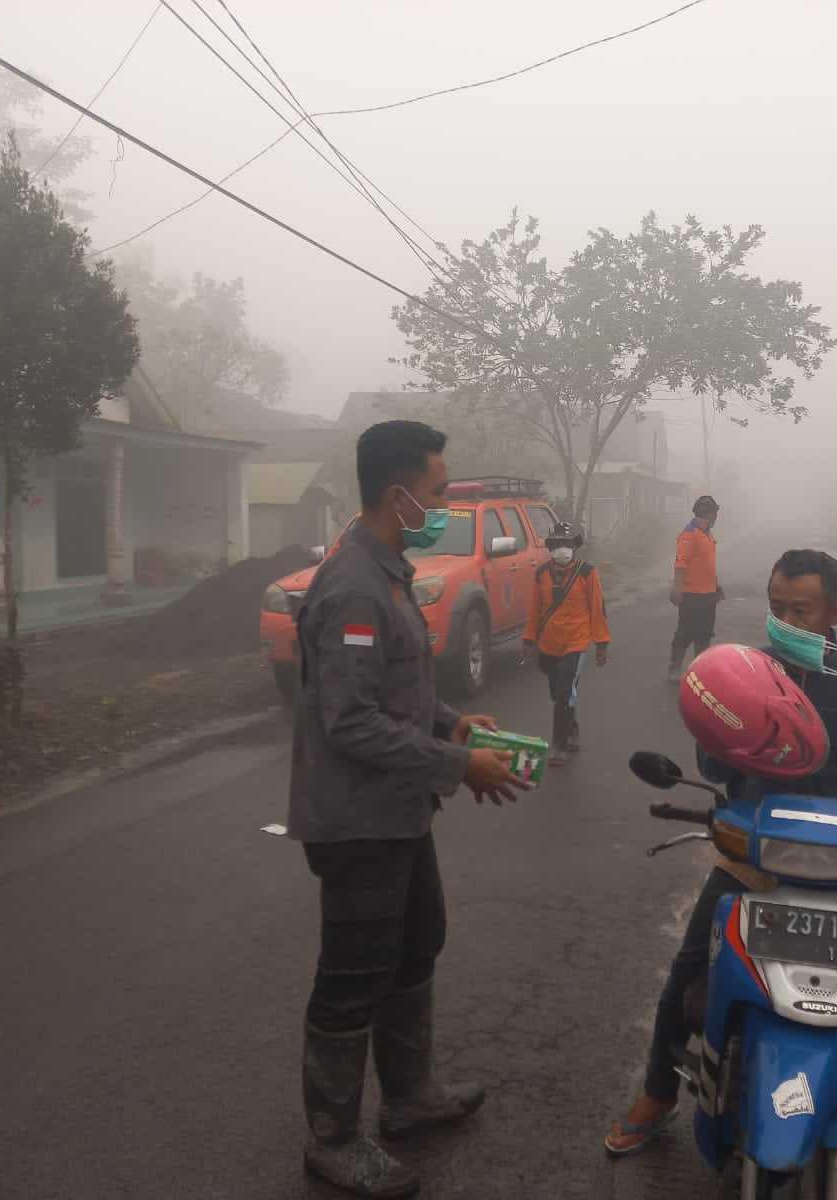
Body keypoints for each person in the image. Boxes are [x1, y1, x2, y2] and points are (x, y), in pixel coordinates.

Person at [607, 549, 837, 1200]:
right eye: (777, 606)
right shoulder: (749, 669)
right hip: (752, 863)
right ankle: (659, 1094)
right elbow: (713, 768)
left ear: (836, 613)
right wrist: (728, 721)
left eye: (802, 610)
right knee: (689, 974)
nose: (786, 620)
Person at [288, 419, 528, 1198]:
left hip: (398, 810)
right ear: (398, 493)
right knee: (353, 975)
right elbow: (349, 721)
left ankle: (410, 1098)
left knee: (419, 941)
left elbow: (397, 692)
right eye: (433, 491)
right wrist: (461, 764)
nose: (439, 503)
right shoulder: (354, 584)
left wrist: (453, 722)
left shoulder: (387, 569)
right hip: (358, 821)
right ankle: (333, 1140)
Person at [521, 521, 611, 767]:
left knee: (563, 692)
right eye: (558, 544)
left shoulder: (587, 572)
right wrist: (529, 640)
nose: (563, 548)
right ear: (551, 547)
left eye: (567, 544)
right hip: (549, 644)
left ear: (575, 546)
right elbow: (535, 610)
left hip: (577, 642)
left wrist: (601, 644)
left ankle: (558, 746)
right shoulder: (541, 574)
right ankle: (572, 728)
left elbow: (597, 607)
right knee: (558, 693)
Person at [669, 495, 721, 682]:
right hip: (692, 595)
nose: (716, 516)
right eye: (715, 512)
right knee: (685, 632)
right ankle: (674, 669)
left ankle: (700, 672)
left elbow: (706, 564)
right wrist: (677, 588)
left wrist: (716, 586)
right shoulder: (689, 534)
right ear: (708, 513)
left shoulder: (707, 533)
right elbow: (681, 563)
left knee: (705, 634)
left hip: (708, 594)